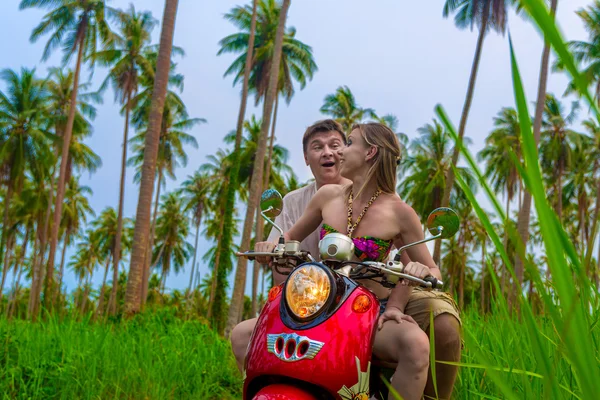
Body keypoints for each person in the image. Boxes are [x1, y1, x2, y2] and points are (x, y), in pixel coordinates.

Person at [230, 121, 461, 399]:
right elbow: (287, 239)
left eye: (349, 143)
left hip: (370, 311)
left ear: (370, 152)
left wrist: (406, 289)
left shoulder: (400, 212)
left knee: (415, 346)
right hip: (321, 304)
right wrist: (271, 246)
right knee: (242, 334)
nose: (340, 152)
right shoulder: (327, 196)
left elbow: (429, 268)